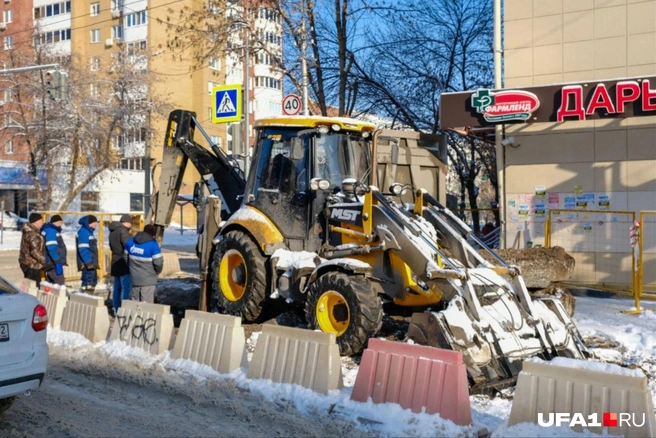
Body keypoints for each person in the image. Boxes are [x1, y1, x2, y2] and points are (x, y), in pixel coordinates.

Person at [124, 224, 163, 304]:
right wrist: (156, 272)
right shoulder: (153, 245)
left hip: (134, 279)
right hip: (148, 281)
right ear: (153, 235)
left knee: (135, 303)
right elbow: (158, 263)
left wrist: (132, 269)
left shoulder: (130, 242)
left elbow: (125, 258)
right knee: (146, 306)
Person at [109, 215, 133, 313]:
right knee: (126, 287)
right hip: (123, 261)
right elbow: (128, 246)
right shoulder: (123, 231)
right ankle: (125, 309)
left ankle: (116, 308)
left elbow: (111, 246)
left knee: (116, 287)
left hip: (115, 261)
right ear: (127, 222)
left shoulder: (112, 231)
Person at [19, 213, 45, 286]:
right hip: (32, 264)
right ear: (35, 221)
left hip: (26, 263)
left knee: (29, 285)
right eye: (41, 220)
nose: (42, 222)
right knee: (33, 287)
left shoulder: (29, 231)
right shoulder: (33, 234)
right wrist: (45, 261)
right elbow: (35, 251)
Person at [41, 214, 67, 285]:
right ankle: (61, 296)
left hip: (51, 262)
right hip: (52, 262)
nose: (61, 225)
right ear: (54, 222)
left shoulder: (50, 230)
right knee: (59, 283)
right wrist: (57, 261)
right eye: (59, 223)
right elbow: (51, 247)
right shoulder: (51, 231)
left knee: (50, 283)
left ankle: (49, 295)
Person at [76, 215, 99, 292]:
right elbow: (83, 249)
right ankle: (87, 296)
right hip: (87, 263)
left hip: (91, 262)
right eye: (95, 222)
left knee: (92, 282)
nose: (96, 224)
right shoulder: (84, 232)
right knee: (88, 282)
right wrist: (88, 262)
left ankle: (88, 296)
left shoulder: (88, 232)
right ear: (89, 223)